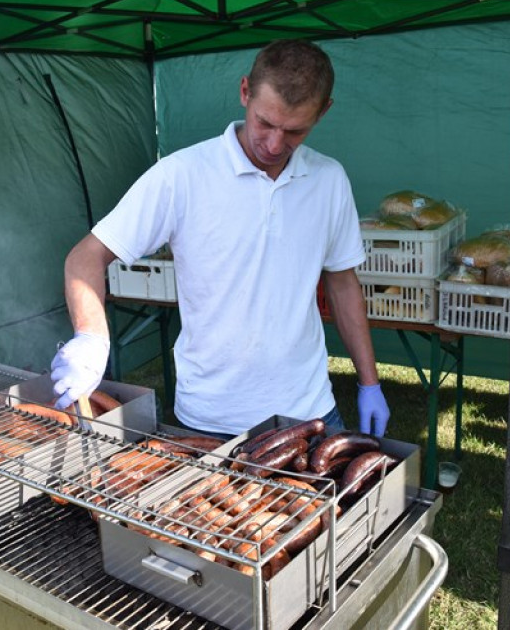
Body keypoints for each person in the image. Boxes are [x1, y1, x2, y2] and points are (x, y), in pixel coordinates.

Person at [51, 39, 390, 438]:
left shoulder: (329, 180)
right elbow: (85, 256)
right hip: (210, 421)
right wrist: (91, 337)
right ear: (245, 91)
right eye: (265, 122)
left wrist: (369, 382)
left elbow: (342, 282)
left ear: (324, 110)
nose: (275, 144)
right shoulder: (181, 176)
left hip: (312, 412)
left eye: (294, 130)